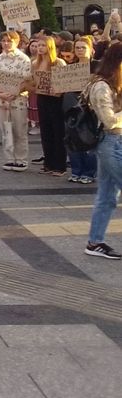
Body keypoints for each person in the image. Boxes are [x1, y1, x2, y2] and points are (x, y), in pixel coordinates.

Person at [84, 42, 122, 258]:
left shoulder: (116, 83)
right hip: (111, 141)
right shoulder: (101, 86)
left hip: (116, 141)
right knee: (107, 195)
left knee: (107, 196)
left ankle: (94, 242)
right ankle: (94, 241)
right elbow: (109, 120)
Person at [0, 30, 32, 172]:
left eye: (9, 41)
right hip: (1, 100)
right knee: (5, 130)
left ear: (16, 42)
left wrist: (14, 93)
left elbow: (27, 81)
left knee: (19, 130)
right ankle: (9, 158)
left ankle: (21, 159)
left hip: (18, 100)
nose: (6, 44)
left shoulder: (24, 59)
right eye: (4, 41)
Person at [32, 36, 67, 176]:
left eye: (43, 45)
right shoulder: (35, 63)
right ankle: (48, 163)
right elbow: (32, 81)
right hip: (42, 98)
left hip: (56, 100)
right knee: (45, 131)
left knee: (57, 132)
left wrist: (58, 89)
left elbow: (65, 82)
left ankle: (60, 165)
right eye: (38, 45)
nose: (40, 48)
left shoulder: (58, 62)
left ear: (50, 47)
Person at [65, 37, 99, 184]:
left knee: (89, 138)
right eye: (77, 47)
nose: (79, 50)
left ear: (91, 49)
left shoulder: (97, 66)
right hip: (73, 107)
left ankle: (89, 172)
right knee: (72, 138)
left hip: (91, 107)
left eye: (83, 47)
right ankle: (76, 170)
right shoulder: (70, 67)